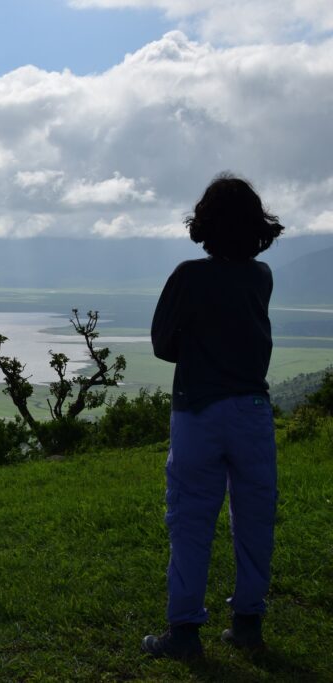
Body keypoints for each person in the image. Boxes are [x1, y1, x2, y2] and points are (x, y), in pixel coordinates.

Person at [141, 173, 285, 660]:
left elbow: (164, 344)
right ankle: (248, 623)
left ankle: (183, 632)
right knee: (255, 517)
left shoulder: (189, 275)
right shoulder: (261, 276)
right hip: (252, 410)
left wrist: (199, 352)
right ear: (257, 227)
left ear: (204, 224)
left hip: (198, 410)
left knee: (190, 519)